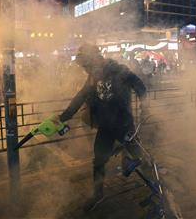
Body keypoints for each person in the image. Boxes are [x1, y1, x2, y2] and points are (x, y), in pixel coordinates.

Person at [59, 43, 150, 211]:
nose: (85, 69)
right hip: (106, 127)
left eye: (86, 65)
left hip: (124, 125)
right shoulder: (93, 75)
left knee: (140, 157)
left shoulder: (119, 70)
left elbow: (140, 86)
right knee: (99, 161)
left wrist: (145, 107)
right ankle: (98, 195)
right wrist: (64, 117)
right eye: (84, 66)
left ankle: (157, 184)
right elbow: (80, 96)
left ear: (95, 60)